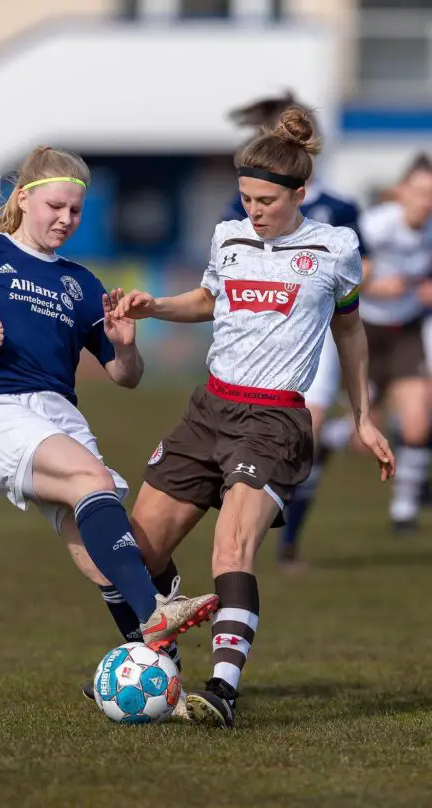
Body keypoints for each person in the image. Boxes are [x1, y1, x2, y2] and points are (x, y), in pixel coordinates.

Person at [110, 107, 395, 728]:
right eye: (244, 198)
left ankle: (223, 691)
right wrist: (153, 306)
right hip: (208, 409)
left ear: (300, 194)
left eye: (266, 200)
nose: (254, 210)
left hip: (274, 421)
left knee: (232, 545)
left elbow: (349, 333)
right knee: (136, 548)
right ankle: (160, 662)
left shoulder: (335, 248)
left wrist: (364, 415)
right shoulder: (228, 237)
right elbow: (209, 300)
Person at [0, 145, 219, 655]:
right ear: (25, 199)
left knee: (105, 552)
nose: (66, 219)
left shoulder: (81, 283)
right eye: (56, 207)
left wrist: (127, 346)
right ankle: (156, 613)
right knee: (92, 483)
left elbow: (124, 377)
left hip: (58, 415)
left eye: (76, 211)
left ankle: (162, 672)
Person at [225, 91, 372, 569]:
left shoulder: (340, 207)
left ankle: (282, 539)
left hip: (318, 335)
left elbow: (359, 270)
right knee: (285, 439)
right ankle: (256, 521)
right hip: (262, 336)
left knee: (303, 432)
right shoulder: (243, 203)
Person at [358, 154, 432, 533]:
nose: (426, 201)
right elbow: (342, 274)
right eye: (419, 192)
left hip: (406, 331)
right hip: (363, 331)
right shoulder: (375, 226)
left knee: (418, 422)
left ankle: (404, 508)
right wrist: (374, 286)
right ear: (402, 191)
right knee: (361, 430)